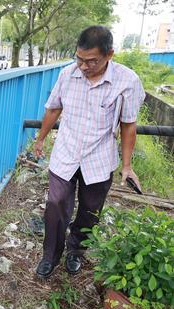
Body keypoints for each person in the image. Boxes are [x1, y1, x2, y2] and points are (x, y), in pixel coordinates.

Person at [34, 26, 145, 278]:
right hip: (66, 152)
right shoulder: (67, 74)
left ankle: (76, 252)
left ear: (110, 55)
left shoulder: (127, 81)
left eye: (91, 61)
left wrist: (126, 166)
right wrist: (40, 139)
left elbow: (128, 125)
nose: (83, 66)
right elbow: (53, 109)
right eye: (79, 59)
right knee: (55, 204)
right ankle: (50, 257)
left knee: (90, 211)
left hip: (99, 157)